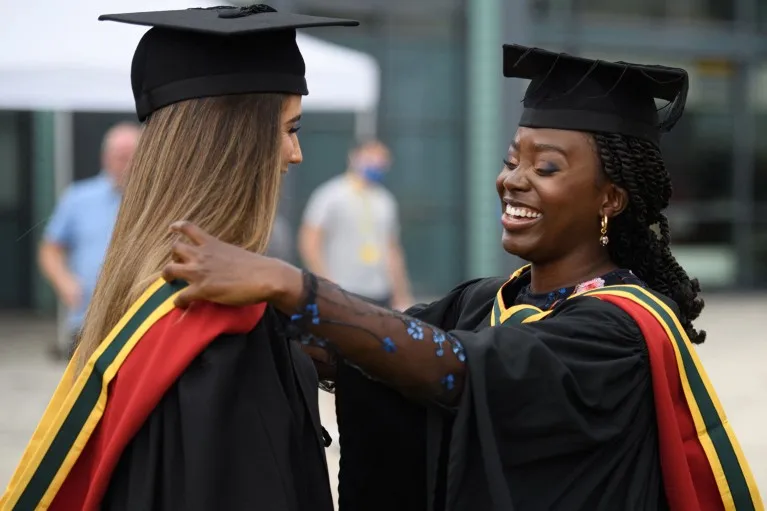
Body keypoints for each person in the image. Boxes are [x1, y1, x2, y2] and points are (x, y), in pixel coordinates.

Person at [155, 44, 763, 510]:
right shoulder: (487, 300)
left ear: (610, 197)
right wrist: (231, 323)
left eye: (545, 166)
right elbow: (371, 354)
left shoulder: (618, 331)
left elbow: (454, 369)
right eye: (511, 160)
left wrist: (293, 286)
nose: (513, 179)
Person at [1, 5, 358, 511]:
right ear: (236, 145)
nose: (294, 153)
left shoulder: (140, 300)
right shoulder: (221, 330)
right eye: (289, 128)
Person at [39, 122, 141, 359]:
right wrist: (64, 281)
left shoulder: (157, 199)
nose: (124, 164)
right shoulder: (78, 197)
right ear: (105, 157)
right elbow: (50, 249)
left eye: (131, 157)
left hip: (138, 318)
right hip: (87, 319)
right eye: (119, 156)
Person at [298, 139, 413, 310]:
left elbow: (392, 249)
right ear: (354, 157)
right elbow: (309, 241)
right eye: (371, 157)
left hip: (380, 292)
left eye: (382, 160)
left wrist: (402, 294)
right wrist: (326, 284)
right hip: (343, 290)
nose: (376, 163)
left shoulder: (385, 200)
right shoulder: (330, 195)